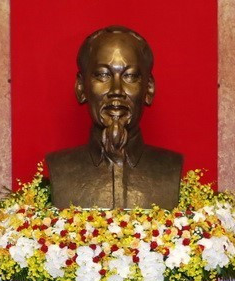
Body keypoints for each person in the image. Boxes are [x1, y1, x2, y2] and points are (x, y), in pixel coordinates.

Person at [45, 25, 183, 210]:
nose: (116, 90)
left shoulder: (170, 168)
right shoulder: (60, 167)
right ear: (81, 87)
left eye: (130, 76)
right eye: (103, 75)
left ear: (149, 88)